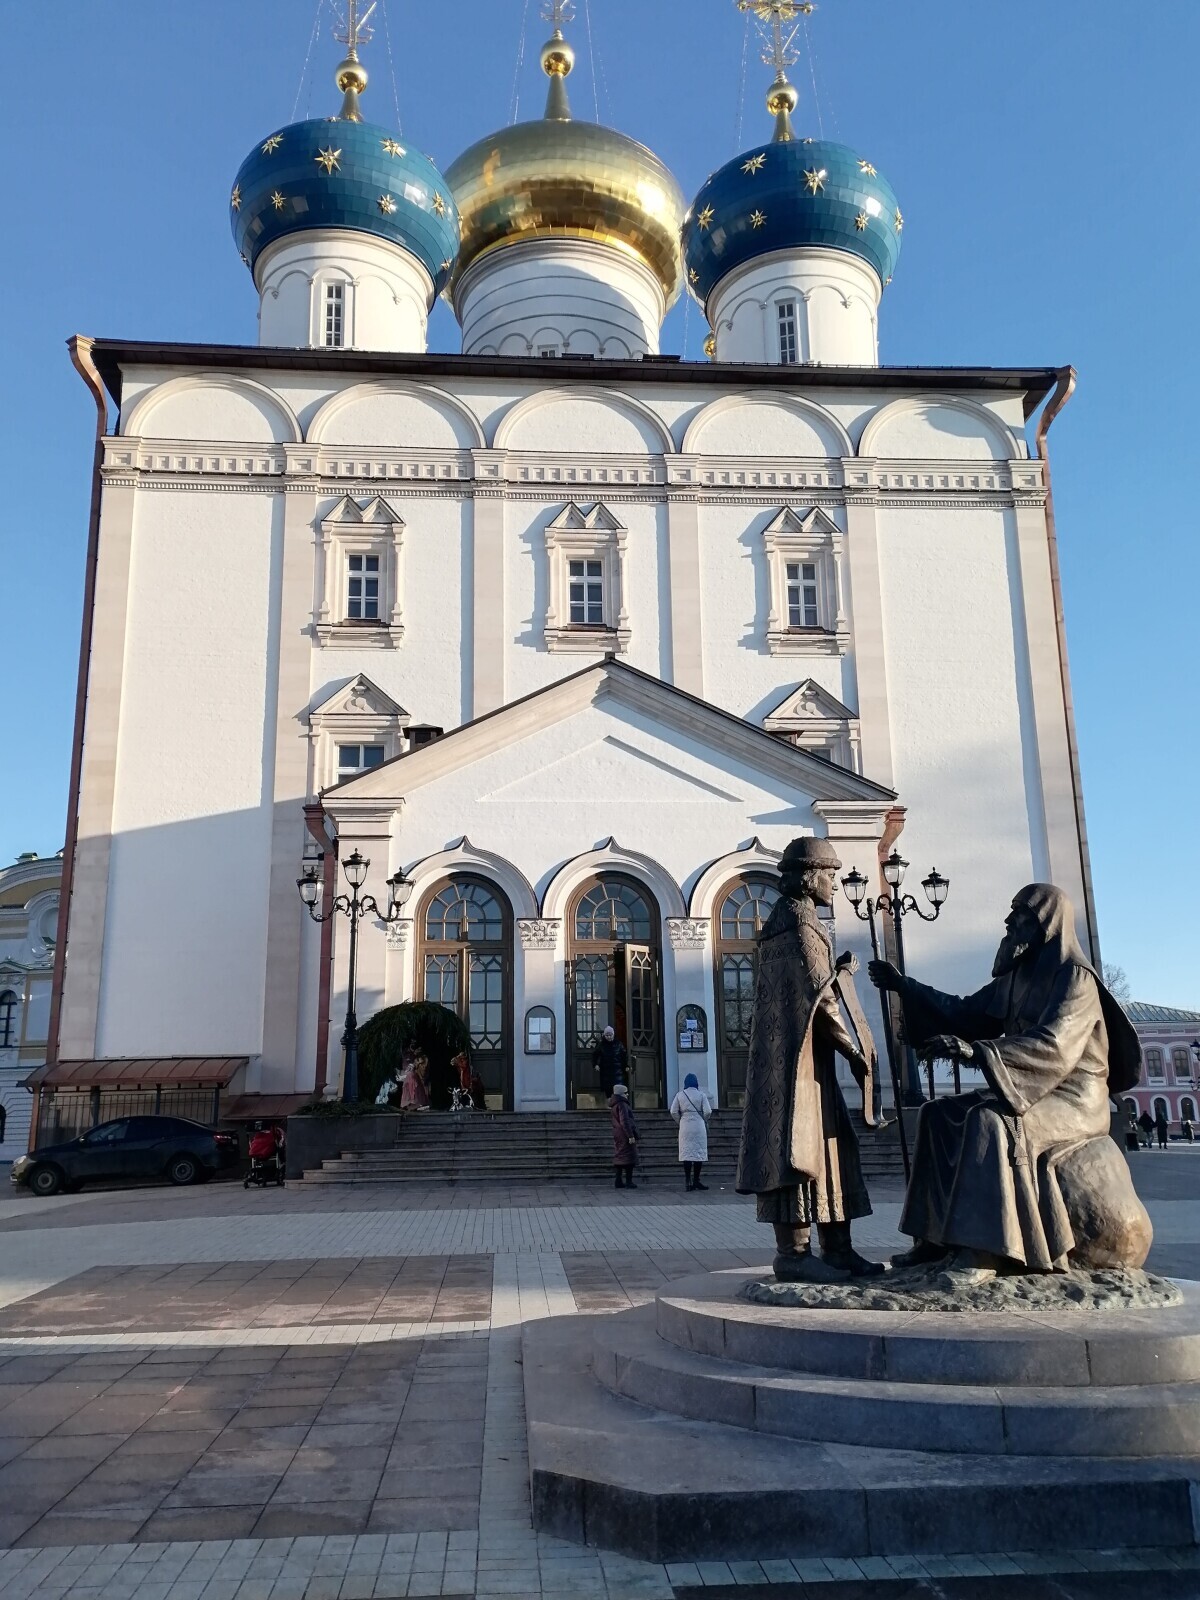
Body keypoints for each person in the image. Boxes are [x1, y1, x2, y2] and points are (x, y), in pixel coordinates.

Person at [869, 882, 1141, 1283]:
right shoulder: (1017, 976)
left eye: (1020, 915)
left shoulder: (1074, 978)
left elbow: (1054, 1045)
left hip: (1073, 1097)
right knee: (937, 1114)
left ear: (1045, 923)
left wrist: (976, 1052)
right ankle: (932, 1239)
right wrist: (904, 987)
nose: (1008, 921)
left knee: (991, 1123)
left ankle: (984, 1253)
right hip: (1032, 1088)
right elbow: (965, 1012)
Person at [737, 836, 883, 1282]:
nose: (835, 884)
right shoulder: (799, 924)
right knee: (802, 1150)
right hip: (800, 1071)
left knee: (833, 1149)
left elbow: (810, 987)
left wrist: (838, 971)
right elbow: (820, 1002)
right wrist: (856, 1054)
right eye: (830, 874)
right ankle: (796, 1253)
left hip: (801, 1066)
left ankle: (837, 1248)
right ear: (807, 877)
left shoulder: (791, 923)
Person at [670, 1072, 713, 1191]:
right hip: (698, 1126)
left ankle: (687, 1181)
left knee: (686, 1153)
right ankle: (696, 1180)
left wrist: (680, 1121)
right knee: (698, 1153)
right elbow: (708, 1111)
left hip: (685, 1126)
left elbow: (673, 1111)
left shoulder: (680, 1095)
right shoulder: (701, 1095)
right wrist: (703, 1119)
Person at [610, 1082, 639, 1189]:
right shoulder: (622, 1104)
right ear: (621, 1094)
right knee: (629, 1158)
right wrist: (630, 1135)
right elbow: (625, 1120)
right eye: (625, 1093)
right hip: (624, 1134)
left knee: (620, 1157)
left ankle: (618, 1180)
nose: (627, 1095)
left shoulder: (614, 1105)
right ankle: (629, 1181)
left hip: (617, 1133)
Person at [592, 1026, 628, 1097]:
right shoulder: (601, 1045)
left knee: (618, 1090)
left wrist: (626, 1065)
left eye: (610, 1035)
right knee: (608, 1091)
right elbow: (595, 1055)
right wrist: (595, 1064)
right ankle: (609, 1105)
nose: (609, 1037)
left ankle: (617, 1105)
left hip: (617, 1071)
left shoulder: (618, 1044)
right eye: (607, 1035)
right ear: (604, 1036)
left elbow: (624, 1056)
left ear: (613, 1035)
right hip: (606, 1072)